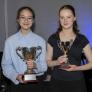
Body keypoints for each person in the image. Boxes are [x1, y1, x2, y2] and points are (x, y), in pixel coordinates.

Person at [47, 4, 92, 92]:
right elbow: (48, 62)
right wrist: (57, 61)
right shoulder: (52, 38)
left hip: (77, 83)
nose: (65, 20)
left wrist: (76, 68)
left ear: (74, 18)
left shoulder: (82, 39)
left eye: (68, 17)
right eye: (62, 17)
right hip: (56, 83)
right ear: (59, 19)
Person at [1, 6, 47, 92]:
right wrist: (15, 76)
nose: (26, 21)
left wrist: (35, 66)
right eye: (23, 17)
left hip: (36, 84)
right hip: (17, 84)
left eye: (29, 18)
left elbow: (44, 66)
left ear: (33, 21)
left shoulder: (40, 41)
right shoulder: (10, 41)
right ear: (18, 19)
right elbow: (6, 65)